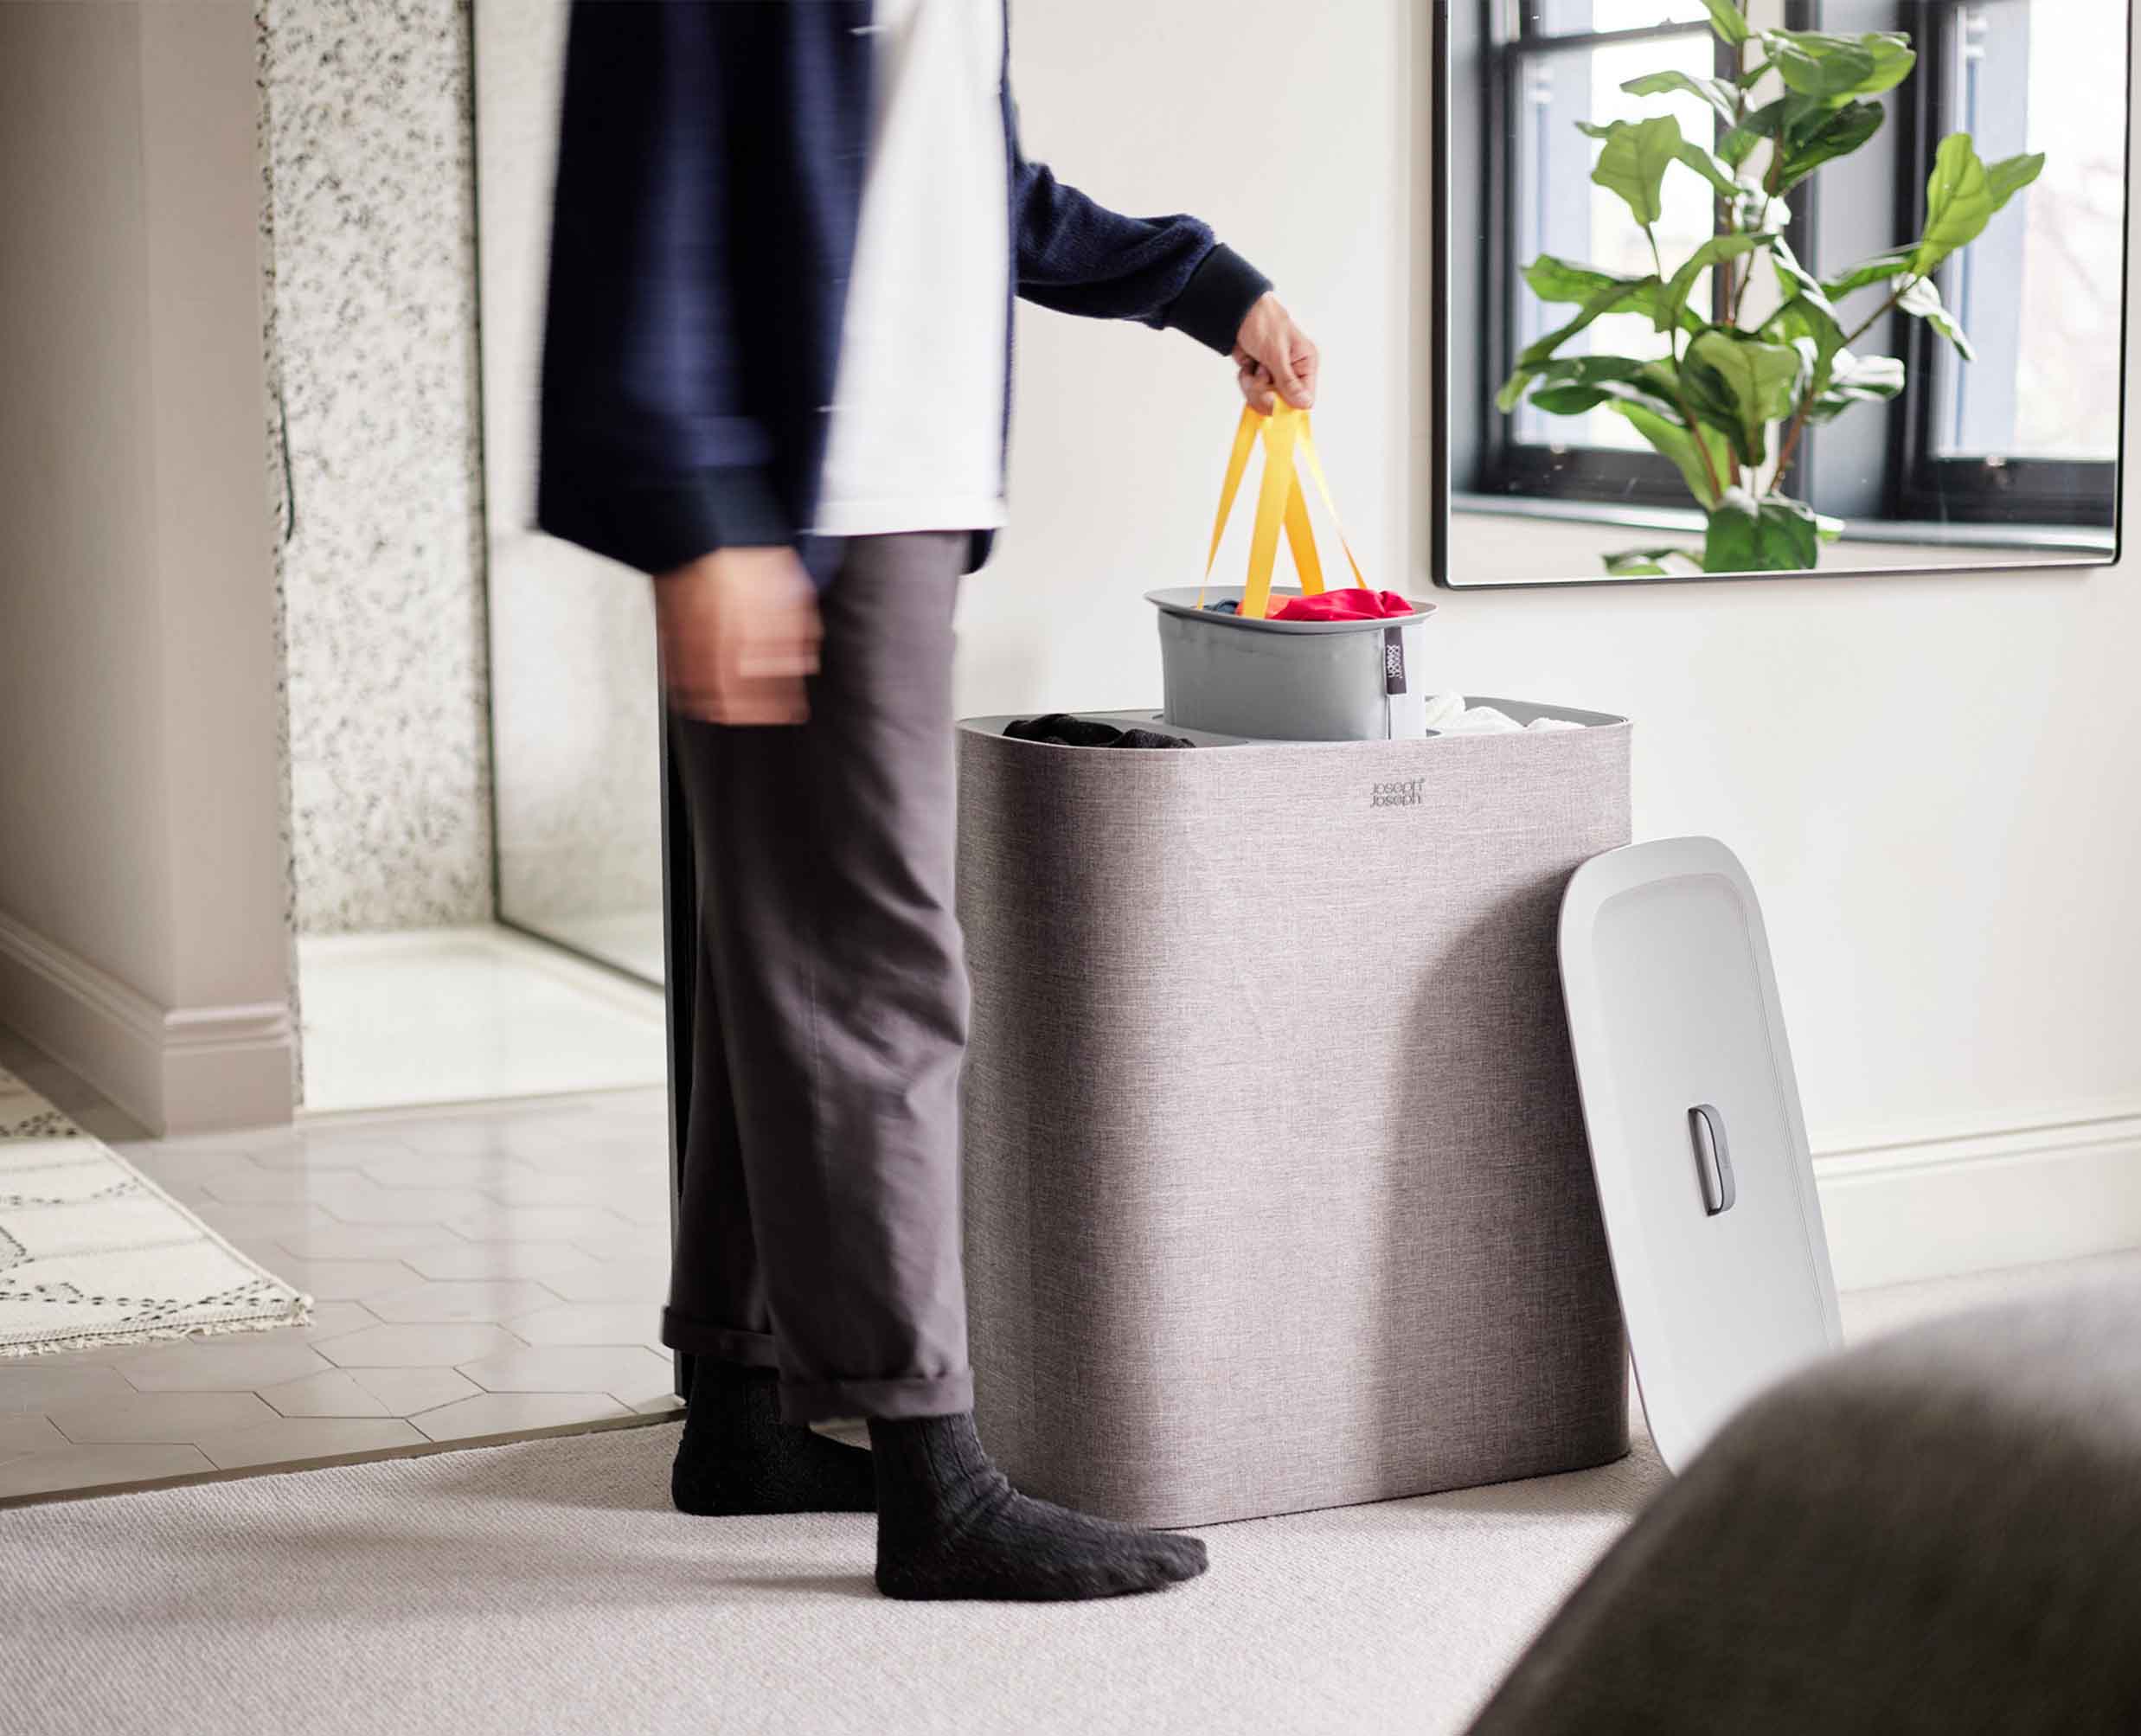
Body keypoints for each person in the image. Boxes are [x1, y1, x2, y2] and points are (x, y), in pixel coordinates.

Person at [537, 1, 1317, 1604]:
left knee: (789, 947)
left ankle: (742, 1410)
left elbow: (966, 178)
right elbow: (643, 164)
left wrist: (1206, 283)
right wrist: (702, 512)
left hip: (899, 487)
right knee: (871, 964)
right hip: (807, 491)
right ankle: (935, 1481)